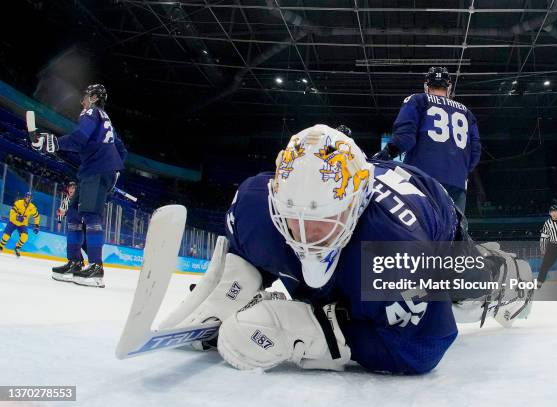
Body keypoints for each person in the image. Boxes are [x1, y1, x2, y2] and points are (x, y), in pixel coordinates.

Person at [176, 125, 532, 374]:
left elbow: (427, 345)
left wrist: (322, 332)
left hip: (433, 215)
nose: (307, 234)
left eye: (324, 220)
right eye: (291, 218)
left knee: (468, 288)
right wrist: (231, 285)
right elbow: (247, 245)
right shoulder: (255, 203)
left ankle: (505, 271)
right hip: (376, 203)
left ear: (358, 204)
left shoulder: (394, 249)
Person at [29, 84, 127, 288]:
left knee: (91, 215)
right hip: (93, 171)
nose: (81, 101)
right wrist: (115, 171)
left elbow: (80, 139)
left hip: (97, 171)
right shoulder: (105, 118)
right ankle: (75, 262)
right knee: (73, 213)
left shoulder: (90, 112)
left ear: (92, 97)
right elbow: (120, 148)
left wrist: (54, 143)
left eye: (84, 96)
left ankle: (96, 267)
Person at [373, 67, 481, 213]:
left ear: (426, 86)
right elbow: (475, 152)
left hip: (422, 179)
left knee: (419, 230)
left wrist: (382, 157)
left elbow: (404, 138)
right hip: (457, 183)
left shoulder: (418, 100)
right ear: (449, 87)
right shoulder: (467, 113)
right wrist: (458, 171)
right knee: (456, 232)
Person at [52, 181, 87, 282]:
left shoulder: (81, 199)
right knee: (73, 244)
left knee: (82, 245)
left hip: (82, 225)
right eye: (70, 188)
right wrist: (60, 220)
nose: (71, 190)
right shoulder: (65, 200)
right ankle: (77, 263)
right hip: (72, 224)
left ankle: (83, 264)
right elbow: (61, 212)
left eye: (73, 188)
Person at [0, 192, 40, 257]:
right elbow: (11, 212)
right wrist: (17, 217)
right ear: (25, 197)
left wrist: (37, 226)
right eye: (27, 197)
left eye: (29, 197)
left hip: (22, 224)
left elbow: (37, 217)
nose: (27, 198)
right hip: (13, 221)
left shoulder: (32, 207)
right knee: (6, 236)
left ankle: (17, 248)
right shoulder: (18, 203)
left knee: (25, 237)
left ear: (31, 199)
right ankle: (1, 246)